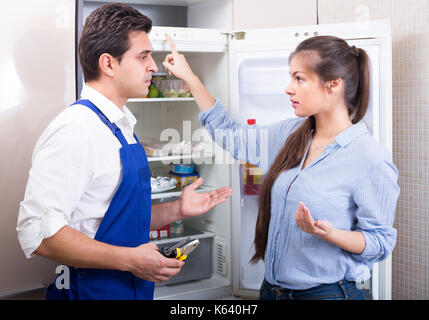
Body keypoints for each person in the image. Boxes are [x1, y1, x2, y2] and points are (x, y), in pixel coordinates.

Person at [16, 3, 232, 300]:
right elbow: (39, 233)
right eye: (143, 56)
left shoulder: (120, 125)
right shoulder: (76, 129)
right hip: (89, 292)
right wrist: (131, 260)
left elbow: (111, 217)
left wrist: (176, 210)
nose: (154, 66)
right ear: (108, 64)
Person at [162, 34, 400, 300]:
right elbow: (230, 134)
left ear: (333, 84)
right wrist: (192, 79)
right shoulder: (291, 133)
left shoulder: (370, 158)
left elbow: (379, 242)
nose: (288, 88)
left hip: (329, 294)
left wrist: (332, 234)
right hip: (272, 290)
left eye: (299, 78)